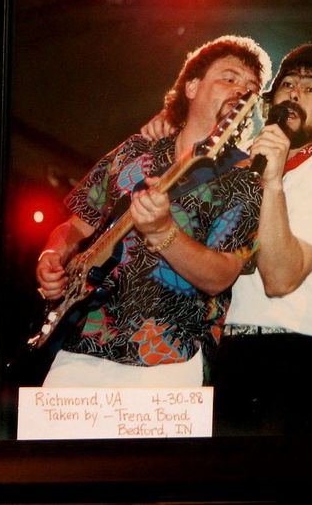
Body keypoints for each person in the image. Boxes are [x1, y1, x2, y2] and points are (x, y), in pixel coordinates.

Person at [142, 43, 312, 435]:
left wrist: (273, 181)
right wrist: (171, 124)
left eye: (311, 89)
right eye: (287, 84)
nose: (294, 93)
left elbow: (280, 279)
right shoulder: (245, 168)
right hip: (227, 352)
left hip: (293, 358)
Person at [34, 35, 271, 387]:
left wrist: (163, 233)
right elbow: (78, 223)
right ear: (192, 86)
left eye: (251, 88)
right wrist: (52, 255)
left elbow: (222, 274)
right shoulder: (135, 150)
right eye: (229, 77)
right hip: (80, 344)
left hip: (169, 359)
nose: (241, 90)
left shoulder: (246, 180)